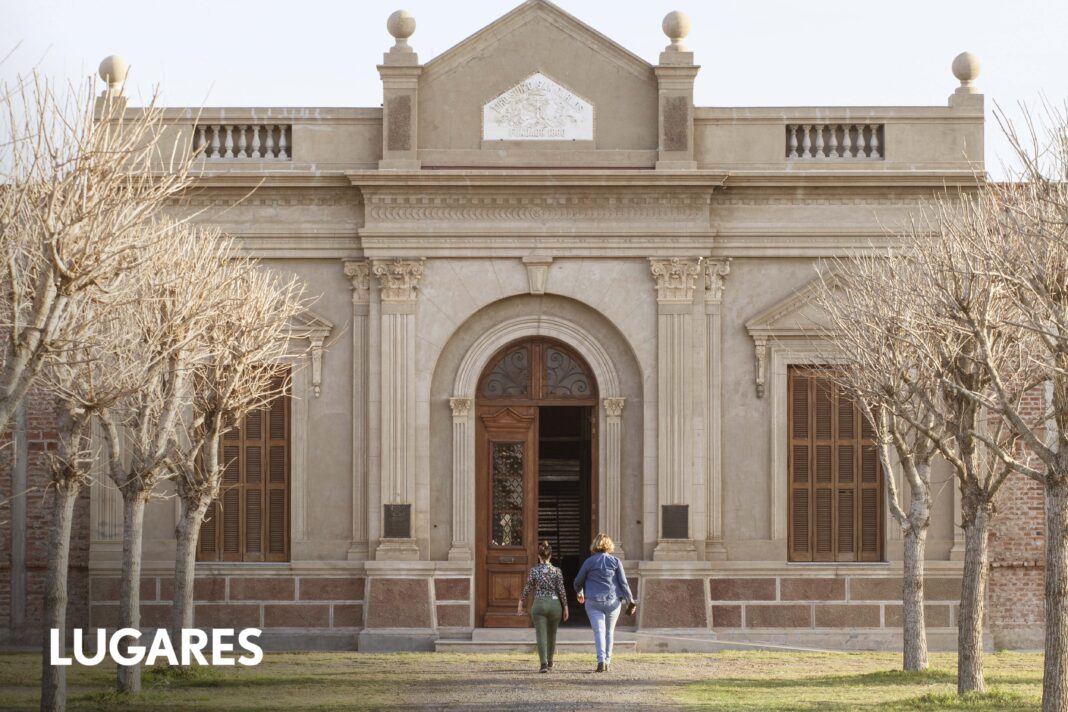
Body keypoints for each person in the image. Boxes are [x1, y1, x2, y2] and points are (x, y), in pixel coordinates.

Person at [573, 533, 634, 673]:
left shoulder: (589, 562)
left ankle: (601, 660)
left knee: (598, 631)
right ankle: (607, 661)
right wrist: (630, 601)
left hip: (593, 601)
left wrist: (580, 592)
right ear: (609, 545)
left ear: (595, 545)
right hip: (613, 601)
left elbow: (577, 581)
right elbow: (623, 583)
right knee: (609, 632)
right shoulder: (615, 561)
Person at [517, 540, 569, 673]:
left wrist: (521, 602)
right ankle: (551, 661)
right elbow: (561, 590)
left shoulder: (534, 571)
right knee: (552, 634)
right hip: (555, 604)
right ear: (550, 556)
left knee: (541, 634)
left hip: (539, 604)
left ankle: (543, 664)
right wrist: (566, 606)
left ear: (539, 556)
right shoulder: (557, 571)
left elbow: (528, 588)